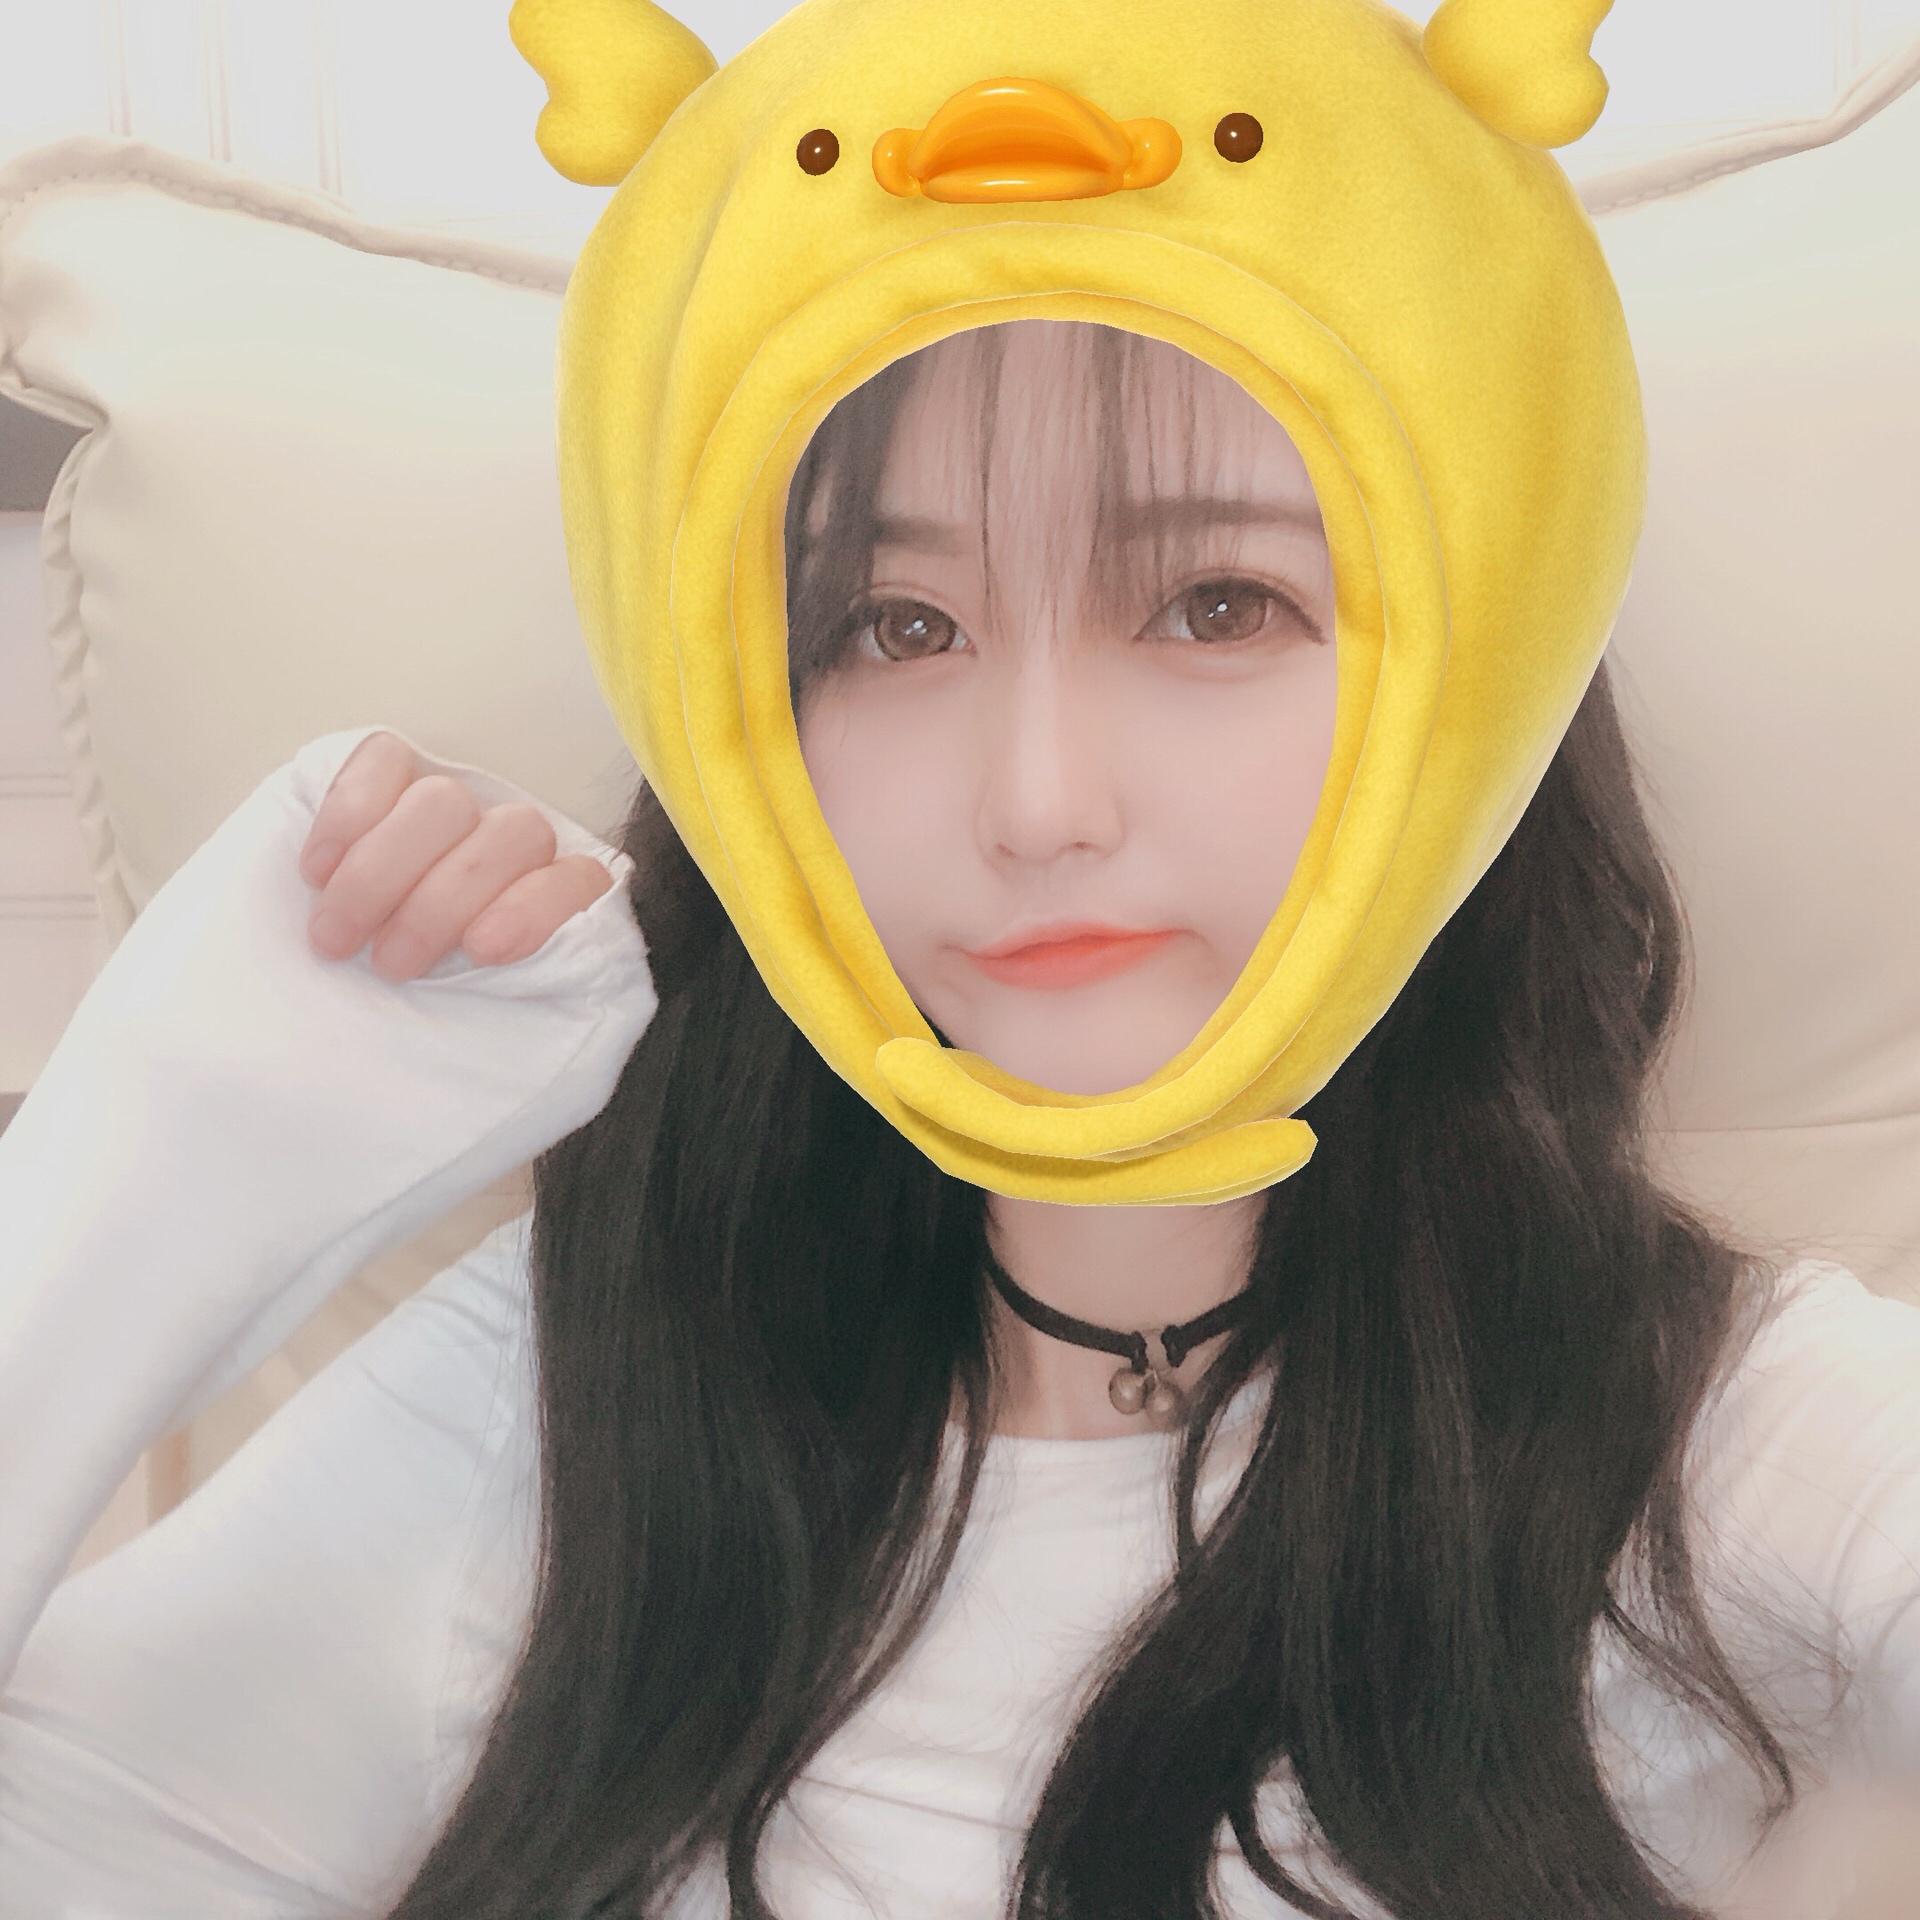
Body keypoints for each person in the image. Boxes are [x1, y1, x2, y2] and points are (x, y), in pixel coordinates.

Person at [4, 3, 1920, 1919]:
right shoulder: (571, 1396)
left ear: (1484, 669)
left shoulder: (1722, 1442)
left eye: (1216, 604)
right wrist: (169, 1153)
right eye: (895, 628)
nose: (1038, 802)